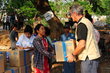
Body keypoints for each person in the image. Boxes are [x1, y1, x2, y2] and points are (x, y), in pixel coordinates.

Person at [67, 4, 101, 73]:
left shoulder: (81, 24)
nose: (70, 16)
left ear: (74, 13)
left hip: (88, 58)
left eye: (70, 14)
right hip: (92, 57)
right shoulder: (87, 21)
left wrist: (72, 54)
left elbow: (82, 44)